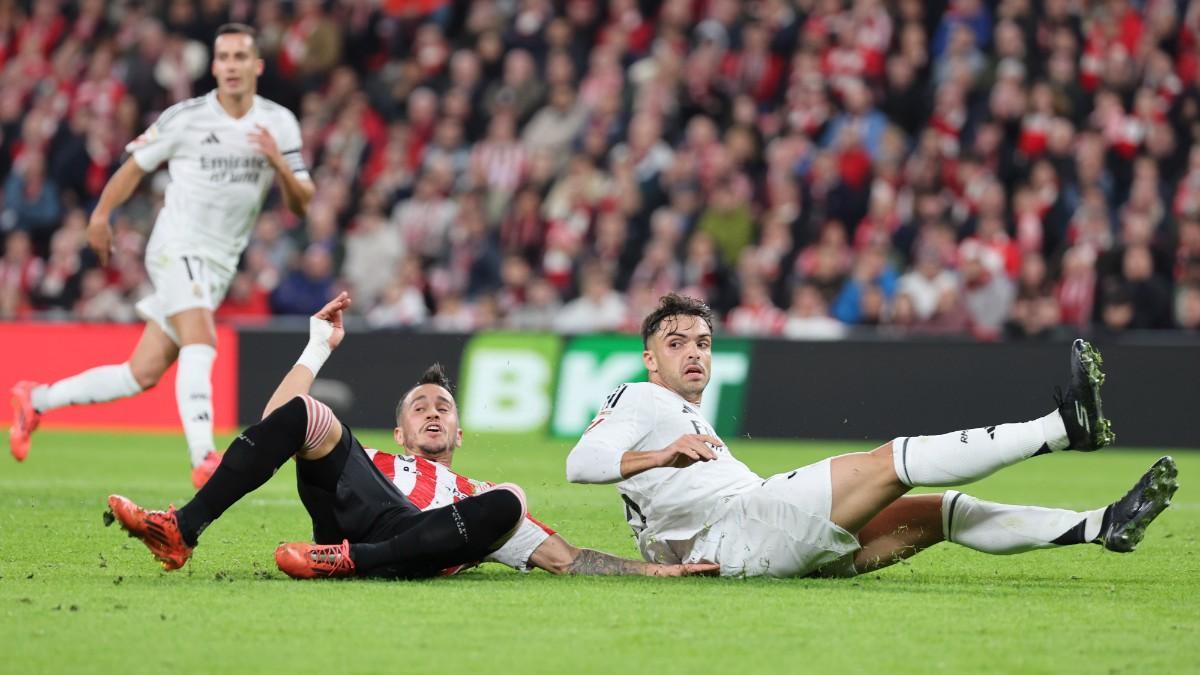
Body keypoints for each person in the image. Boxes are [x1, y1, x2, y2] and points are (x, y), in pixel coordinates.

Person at [565, 293, 1179, 578]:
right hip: (743, 529)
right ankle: (1061, 429)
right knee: (892, 461)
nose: (693, 354)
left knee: (941, 513)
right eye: (675, 344)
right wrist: (662, 453)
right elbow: (582, 461)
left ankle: (1104, 525)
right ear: (649, 358)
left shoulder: (681, 412)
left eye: (702, 342)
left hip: (745, 546)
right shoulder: (641, 396)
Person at [107, 293, 715, 579]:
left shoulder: (473, 493)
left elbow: (567, 558)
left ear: (458, 429)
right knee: (309, 416)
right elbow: (278, 421)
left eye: (442, 406)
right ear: (399, 432)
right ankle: (181, 530)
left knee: (510, 498)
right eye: (419, 406)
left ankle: (349, 563)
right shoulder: (368, 460)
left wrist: (654, 574)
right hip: (360, 514)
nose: (431, 412)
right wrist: (318, 345)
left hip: (418, 538)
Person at [9, 24, 315, 488]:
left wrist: (277, 162)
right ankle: (204, 455)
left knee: (141, 373)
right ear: (214, 66)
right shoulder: (186, 118)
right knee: (202, 338)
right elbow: (135, 167)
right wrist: (101, 215)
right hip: (176, 244)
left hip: (218, 262)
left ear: (257, 66)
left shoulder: (279, 123)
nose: (231, 66)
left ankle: (36, 399)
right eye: (224, 57)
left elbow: (302, 202)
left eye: (240, 57)